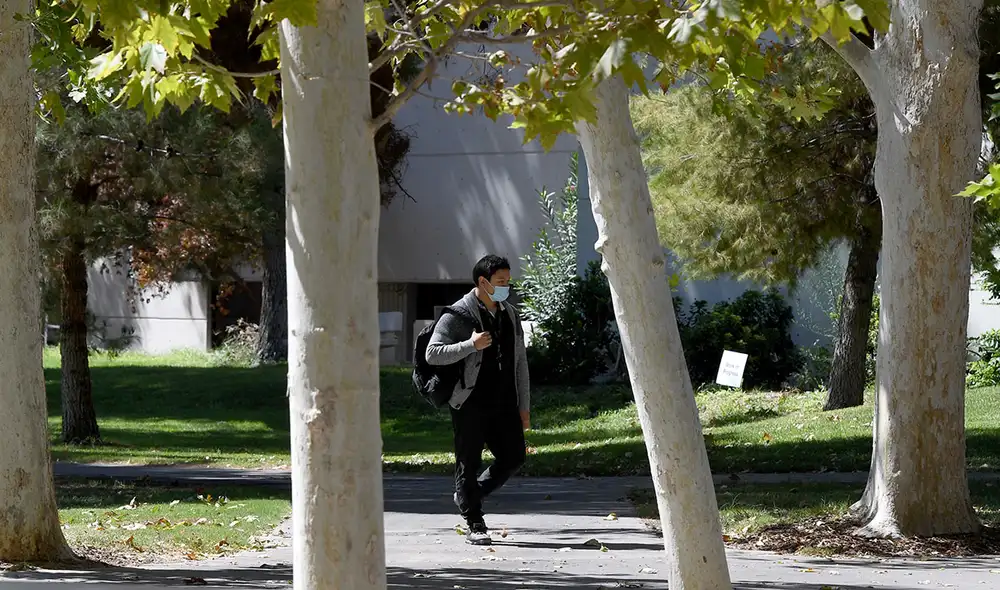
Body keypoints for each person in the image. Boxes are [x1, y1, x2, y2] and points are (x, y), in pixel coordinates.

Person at [425, 254, 530, 545]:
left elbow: (520, 363)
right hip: (470, 400)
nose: (505, 286)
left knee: (513, 456)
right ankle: (475, 521)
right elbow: (432, 353)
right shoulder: (458, 314)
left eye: (508, 281)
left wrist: (524, 407)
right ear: (482, 282)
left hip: (505, 400)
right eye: (500, 282)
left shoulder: (509, 313)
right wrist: (470, 345)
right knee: (468, 463)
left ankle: (469, 494)